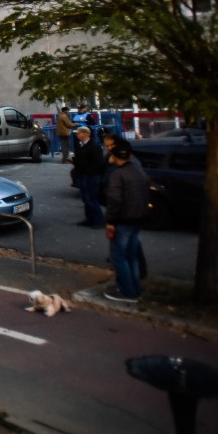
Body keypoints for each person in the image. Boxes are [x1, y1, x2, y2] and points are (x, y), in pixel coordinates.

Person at [102, 140, 150, 303]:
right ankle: (134, 288)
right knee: (132, 256)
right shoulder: (138, 169)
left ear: (114, 156)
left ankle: (127, 291)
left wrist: (110, 221)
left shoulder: (117, 174)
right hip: (138, 218)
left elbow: (114, 199)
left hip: (122, 220)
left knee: (119, 256)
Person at [72, 127, 106, 228]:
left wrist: (87, 172)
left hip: (90, 176)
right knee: (86, 199)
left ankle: (98, 220)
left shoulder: (94, 146)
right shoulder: (83, 145)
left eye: (78, 133)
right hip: (84, 175)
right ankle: (90, 219)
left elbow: (97, 162)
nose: (77, 135)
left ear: (84, 134)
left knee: (92, 199)